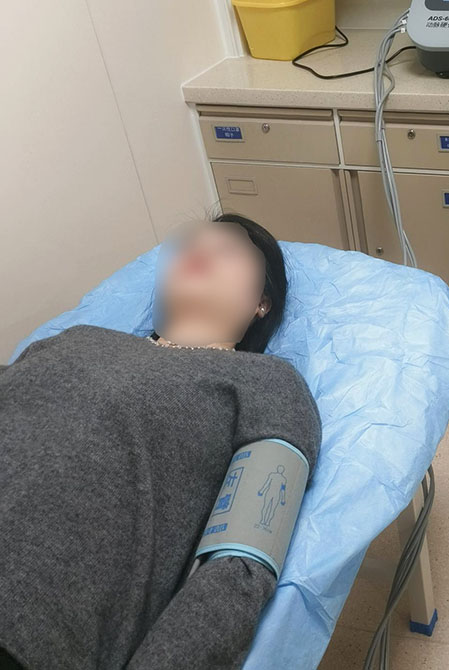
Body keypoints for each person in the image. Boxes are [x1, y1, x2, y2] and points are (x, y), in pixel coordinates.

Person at [0, 214, 322, 669]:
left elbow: (237, 567)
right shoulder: (77, 339)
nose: (200, 251)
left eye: (229, 250)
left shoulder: (266, 382)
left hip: (29, 625)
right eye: (190, 244)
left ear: (261, 302)